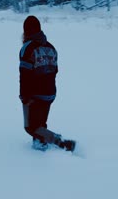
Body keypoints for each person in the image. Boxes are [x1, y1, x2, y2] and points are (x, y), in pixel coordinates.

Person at [19, 15, 76, 152]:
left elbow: (25, 75)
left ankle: (59, 141)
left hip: (35, 95)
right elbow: (55, 70)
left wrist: (25, 96)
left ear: (26, 31)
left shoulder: (27, 49)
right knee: (40, 122)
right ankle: (39, 144)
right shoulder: (51, 47)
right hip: (50, 93)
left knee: (30, 127)